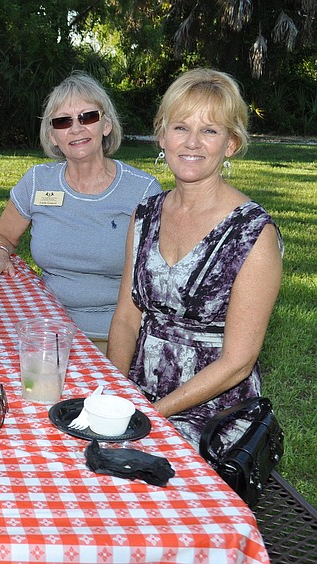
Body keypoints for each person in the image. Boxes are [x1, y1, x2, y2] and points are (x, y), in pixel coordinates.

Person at [107, 68, 283, 450]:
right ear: (162, 136)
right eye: (181, 127)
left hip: (212, 408)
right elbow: (126, 315)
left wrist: (152, 415)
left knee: (131, 471)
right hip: (138, 388)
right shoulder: (146, 214)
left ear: (231, 144)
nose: (192, 143)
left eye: (210, 131)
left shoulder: (253, 233)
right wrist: (115, 393)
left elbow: (238, 361)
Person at [0, 71, 161, 352]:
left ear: (106, 125)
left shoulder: (142, 190)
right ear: (52, 135)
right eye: (63, 121)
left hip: (115, 337)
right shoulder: (38, 181)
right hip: (44, 329)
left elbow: (158, 278)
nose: (76, 128)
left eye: (87, 117)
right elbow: (1, 234)